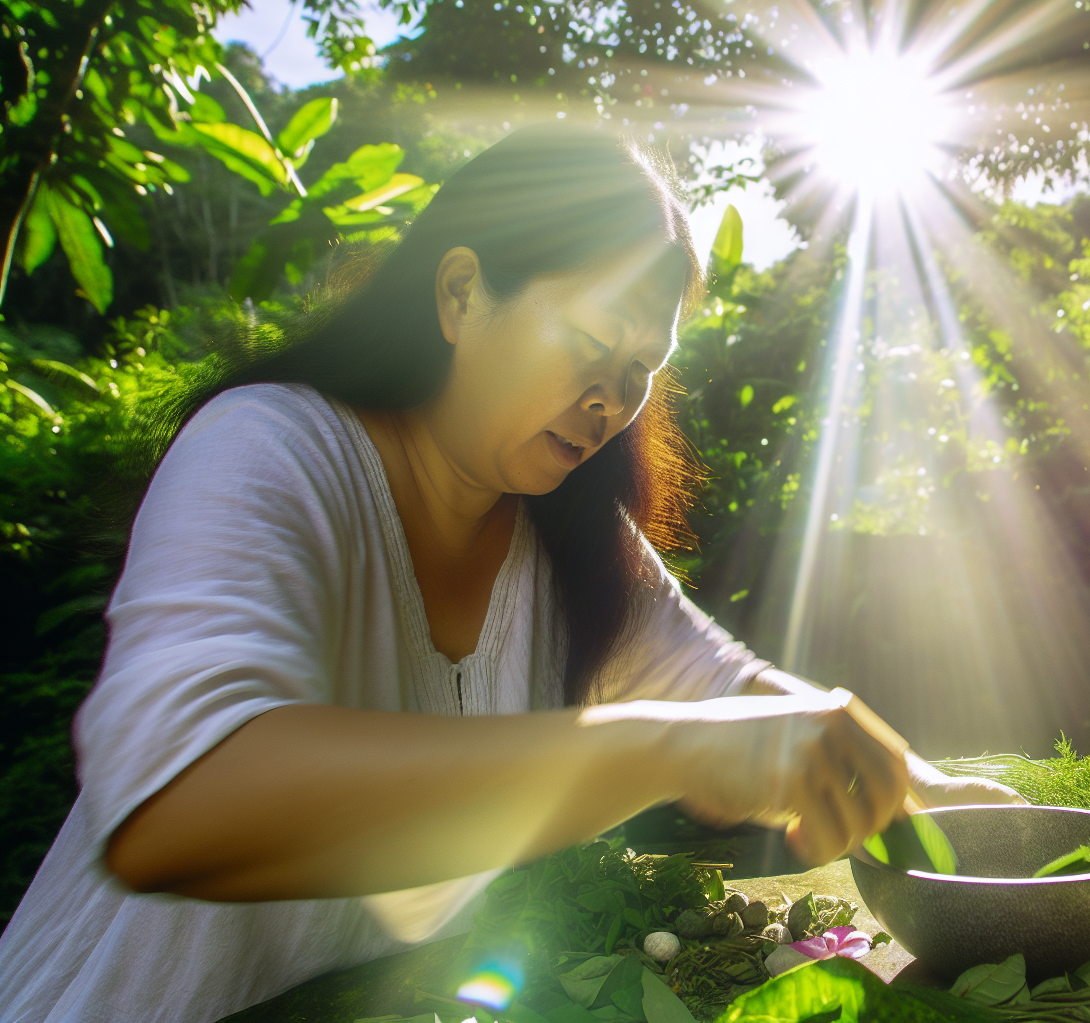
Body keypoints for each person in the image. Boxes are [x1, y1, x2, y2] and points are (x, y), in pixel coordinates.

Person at [0, 125, 1017, 1023]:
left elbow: (719, 684)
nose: (611, 398)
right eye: (592, 341)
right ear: (460, 294)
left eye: (640, 370)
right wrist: (664, 750)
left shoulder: (567, 537)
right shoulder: (267, 449)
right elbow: (178, 805)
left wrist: (924, 794)